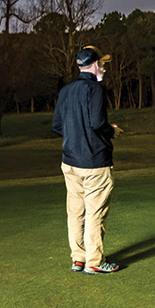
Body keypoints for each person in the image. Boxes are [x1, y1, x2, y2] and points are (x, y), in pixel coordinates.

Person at [52, 45, 122, 275]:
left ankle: (78, 258)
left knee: (75, 212)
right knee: (94, 212)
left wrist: (76, 133)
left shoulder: (66, 91)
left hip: (70, 163)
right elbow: (97, 124)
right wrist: (112, 131)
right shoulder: (95, 89)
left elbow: (57, 126)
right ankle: (94, 262)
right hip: (94, 163)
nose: (104, 67)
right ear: (93, 64)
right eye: (101, 63)